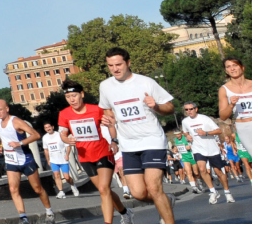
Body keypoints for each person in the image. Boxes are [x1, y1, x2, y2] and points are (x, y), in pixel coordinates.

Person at [98, 47, 176, 223]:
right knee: (138, 193)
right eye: (111, 65)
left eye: (119, 64)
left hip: (152, 140)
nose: (115, 69)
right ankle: (166, 199)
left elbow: (170, 108)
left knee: (154, 188)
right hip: (129, 144)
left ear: (128, 63)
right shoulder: (105, 86)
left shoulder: (146, 83)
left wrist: (156, 106)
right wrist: (110, 121)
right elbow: (107, 111)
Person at [57, 80, 131, 224]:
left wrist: (114, 141)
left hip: (103, 152)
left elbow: (111, 125)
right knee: (105, 191)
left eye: (74, 95)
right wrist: (67, 141)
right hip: (85, 157)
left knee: (104, 189)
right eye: (68, 97)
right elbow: (63, 134)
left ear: (82, 94)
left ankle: (108, 224)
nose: (72, 99)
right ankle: (125, 212)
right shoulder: (64, 114)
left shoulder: (96, 109)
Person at [0, 99, 54, 224]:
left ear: (7, 109)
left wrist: (19, 143)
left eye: (0, 110)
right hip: (11, 160)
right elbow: (5, 139)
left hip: (25, 158)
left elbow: (36, 135)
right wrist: (0, 146)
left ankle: (49, 212)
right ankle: (23, 217)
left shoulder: (16, 122)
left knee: (37, 189)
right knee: (13, 189)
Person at [180, 101, 232, 203]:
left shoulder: (205, 119)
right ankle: (213, 192)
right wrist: (187, 136)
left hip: (211, 148)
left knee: (218, 172)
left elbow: (219, 131)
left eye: (191, 109)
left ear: (196, 109)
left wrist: (206, 133)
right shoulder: (185, 121)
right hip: (197, 148)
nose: (189, 111)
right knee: (202, 169)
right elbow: (185, 131)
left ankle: (227, 192)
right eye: (186, 110)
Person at [218, 57, 251, 154]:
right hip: (243, 127)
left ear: (242, 67)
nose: (232, 69)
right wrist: (231, 105)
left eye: (235, 65)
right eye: (228, 67)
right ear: (226, 71)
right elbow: (223, 116)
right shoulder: (224, 89)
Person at [40, 122, 79, 199]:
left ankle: (72, 185)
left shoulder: (60, 135)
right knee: (56, 175)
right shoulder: (45, 137)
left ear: (52, 127)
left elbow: (68, 146)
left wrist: (67, 155)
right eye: (46, 127)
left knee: (67, 177)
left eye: (49, 126)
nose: (48, 128)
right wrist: (48, 159)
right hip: (53, 160)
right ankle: (61, 192)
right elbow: (46, 150)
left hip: (63, 159)